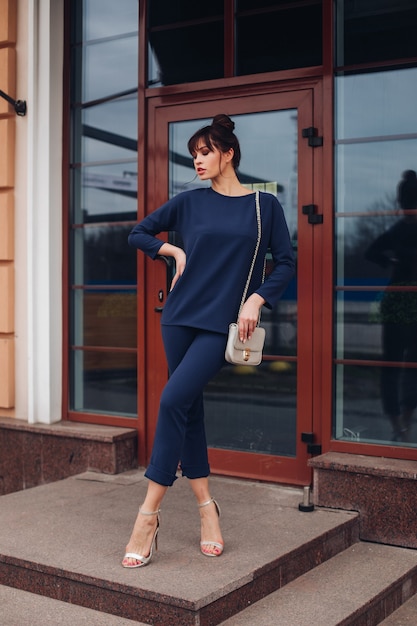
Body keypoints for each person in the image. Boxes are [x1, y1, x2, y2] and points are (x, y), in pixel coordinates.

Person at [123, 113, 295, 568]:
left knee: (173, 399)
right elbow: (137, 233)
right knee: (188, 408)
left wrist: (256, 299)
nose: (198, 161)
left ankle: (148, 514)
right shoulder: (188, 203)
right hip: (179, 318)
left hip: (223, 324)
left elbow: (286, 263)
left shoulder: (264, 207)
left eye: (205, 152)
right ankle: (207, 510)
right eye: (194, 155)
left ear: (228, 153)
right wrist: (172, 250)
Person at [365, 170, 417, 442]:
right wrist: (393, 262)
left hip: (398, 300)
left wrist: (392, 261)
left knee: (400, 367)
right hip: (399, 302)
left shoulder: (398, 230)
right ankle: (400, 425)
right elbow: (371, 251)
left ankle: (401, 425)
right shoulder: (399, 230)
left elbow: (372, 251)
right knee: (399, 366)